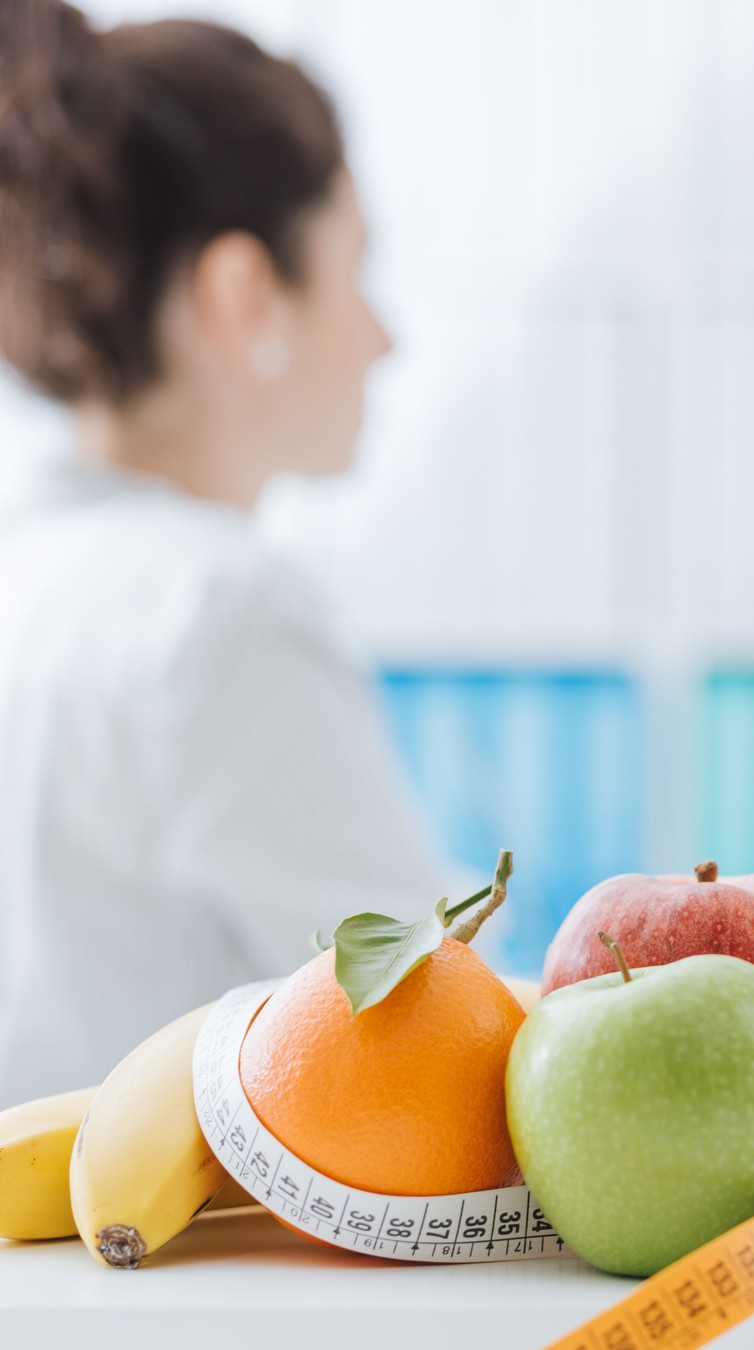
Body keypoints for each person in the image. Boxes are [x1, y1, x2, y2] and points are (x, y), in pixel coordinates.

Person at [0, 1, 443, 1103]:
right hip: (167, 1264)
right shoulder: (217, 612)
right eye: (353, 271)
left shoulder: (30, 569)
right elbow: (437, 1035)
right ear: (246, 294)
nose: (385, 339)